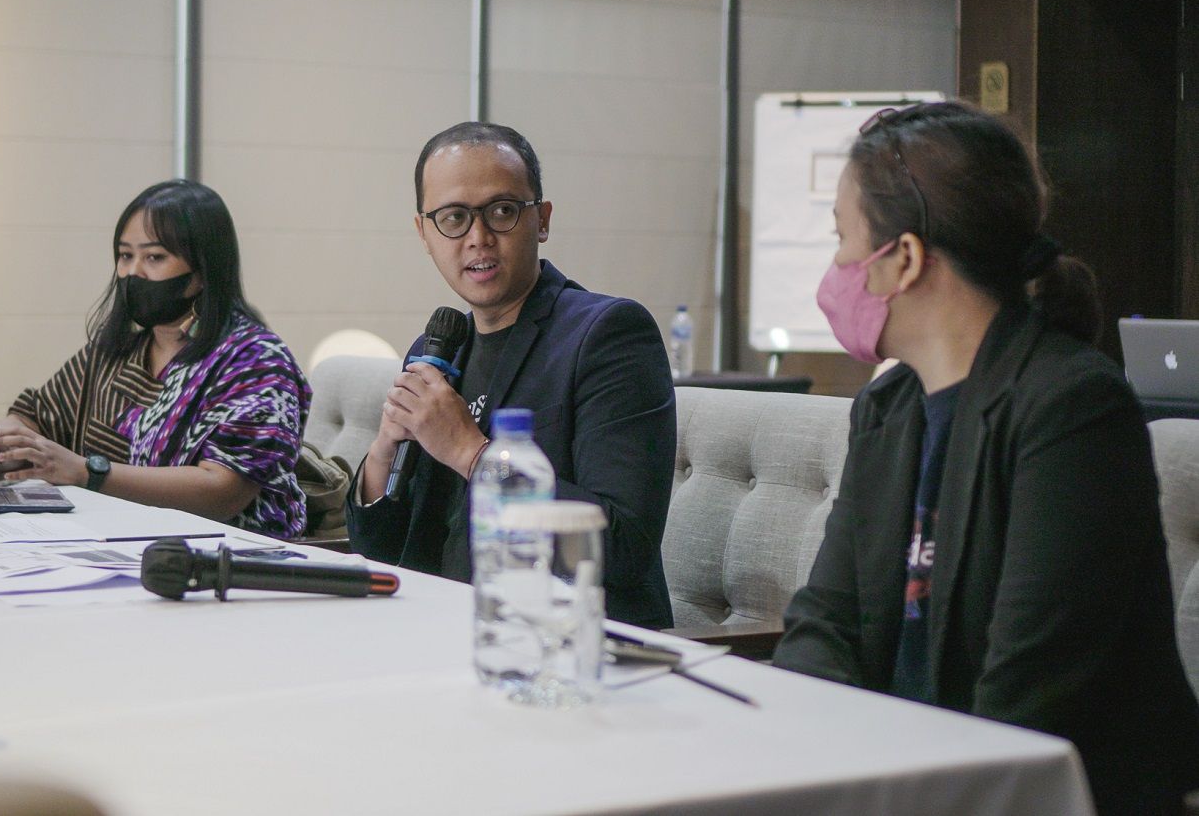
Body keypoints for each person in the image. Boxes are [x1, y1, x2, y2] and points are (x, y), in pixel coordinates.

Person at [771, 102, 1199, 814]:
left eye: (843, 238)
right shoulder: (887, 408)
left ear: (905, 259)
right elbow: (825, 623)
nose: (837, 267)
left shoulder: (1073, 408)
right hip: (897, 782)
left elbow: (1029, 691)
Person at [346, 122, 675, 629]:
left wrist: (471, 453)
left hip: (562, 641)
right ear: (424, 234)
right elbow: (378, 548)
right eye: (453, 218)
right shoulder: (437, 352)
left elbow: (624, 546)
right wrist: (384, 452)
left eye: (502, 211)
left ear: (541, 220)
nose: (478, 238)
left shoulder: (607, 335)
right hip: (430, 629)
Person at [0, 180, 310, 540]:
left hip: (230, 554)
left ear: (202, 271)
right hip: (115, 539)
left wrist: (89, 472)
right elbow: (38, 418)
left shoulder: (255, 361)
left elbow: (222, 491)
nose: (134, 272)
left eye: (154, 257)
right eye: (125, 256)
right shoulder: (119, 350)